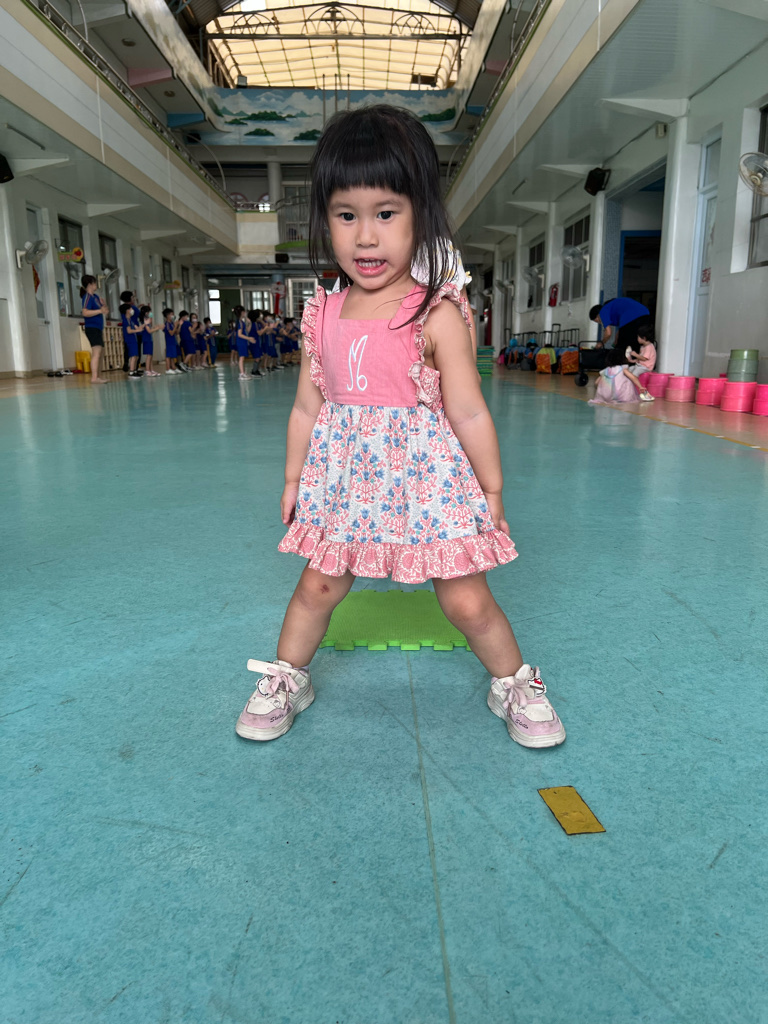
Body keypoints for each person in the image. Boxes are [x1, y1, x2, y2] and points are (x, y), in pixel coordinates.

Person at [234, 104, 566, 749]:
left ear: (421, 216)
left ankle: (515, 683)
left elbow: (468, 410)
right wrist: (293, 479)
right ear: (324, 219)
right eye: (346, 215)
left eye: (385, 214)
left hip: (428, 484)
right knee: (317, 586)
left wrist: (492, 491)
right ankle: (286, 677)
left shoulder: (436, 314)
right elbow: (307, 407)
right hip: (345, 484)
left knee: (466, 600)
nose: (365, 237)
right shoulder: (321, 315)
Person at [588, 347, 654, 404]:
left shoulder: (605, 370)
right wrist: (640, 387)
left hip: (605, 396)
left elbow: (596, 383)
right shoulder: (622, 368)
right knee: (628, 380)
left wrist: (602, 389)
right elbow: (633, 377)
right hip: (621, 396)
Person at [80, 275, 109, 384]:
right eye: (95, 283)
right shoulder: (87, 297)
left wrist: (104, 305)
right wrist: (100, 311)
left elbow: (105, 311)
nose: (96, 285)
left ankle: (99, 376)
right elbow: (85, 312)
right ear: (90, 284)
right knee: (96, 351)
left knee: (101, 352)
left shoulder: (96, 297)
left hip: (98, 327)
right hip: (91, 328)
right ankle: (94, 377)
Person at [119, 301, 144, 378]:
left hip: (134, 340)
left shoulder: (130, 320)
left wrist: (144, 324)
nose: (132, 310)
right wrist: (137, 331)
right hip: (130, 340)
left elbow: (138, 328)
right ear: (127, 311)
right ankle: (131, 372)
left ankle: (134, 371)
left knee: (136, 356)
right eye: (130, 309)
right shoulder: (126, 320)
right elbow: (129, 331)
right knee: (133, 356)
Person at [139, 305, 163, 376]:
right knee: (149, 356)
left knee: (151, 356)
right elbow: (149, 331)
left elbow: (150, 329)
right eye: (149, 312)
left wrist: (155, 327)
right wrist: (157, 328)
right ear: (146, 313)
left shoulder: (148, 322)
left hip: (149, 340)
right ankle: (147, 370)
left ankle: (151, 370)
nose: (150, 313)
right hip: (147, 340)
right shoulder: (145, 321)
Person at [234, 306, 252, 381]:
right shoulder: (239, 322)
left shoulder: (242, 322)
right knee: (241, 358)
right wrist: (249, 338)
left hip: (243, 341)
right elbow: (239, 334)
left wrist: (249, 323)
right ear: (242, 312)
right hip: (240, 342)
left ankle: (243, 372)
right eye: (244, 312)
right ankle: (241, 374)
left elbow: (247, 331)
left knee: (243, 358)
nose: (245, 313)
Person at [162, 309, 182, 374]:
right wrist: (175, 326)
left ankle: (173, 367)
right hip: (169, 342)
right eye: (172, 314)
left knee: (172, 355)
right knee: (169, 355)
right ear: (167, 315)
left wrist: (179, 325)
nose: (173, 316)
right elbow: (171, 333)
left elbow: (176, 332)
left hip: (174, 341)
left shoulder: (172, 323)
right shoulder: (167, 324)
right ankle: (168, 369)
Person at [247, 309, 263, 377]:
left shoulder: (256, 323)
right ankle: (254, 371)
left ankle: (256, 370)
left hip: (257, 342)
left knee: (259, 356)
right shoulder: (254, 324)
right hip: (254, 342)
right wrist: (265, 329)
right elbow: (259, 333)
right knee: (257, 357)